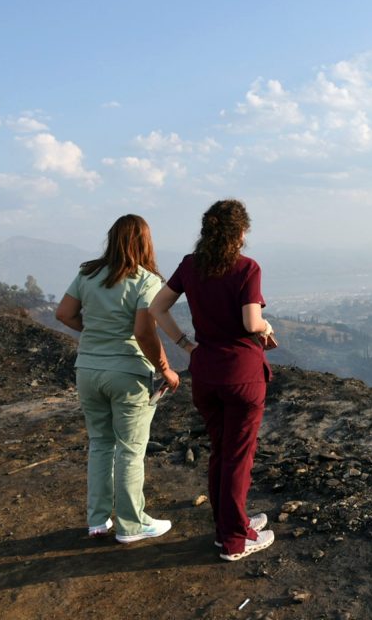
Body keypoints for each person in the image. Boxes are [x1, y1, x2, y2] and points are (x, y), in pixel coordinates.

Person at [149, 198, 275, 561]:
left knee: (221, 453)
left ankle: (229, 527)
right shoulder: (247, 268)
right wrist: (266, 326)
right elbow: (251, 322)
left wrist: (185, 345)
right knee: (238, 458)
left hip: (205, 373)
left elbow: (157, 307)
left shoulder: (191, 265)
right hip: (242, 376)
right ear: (241, 232)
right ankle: (235, 540)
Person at [55, 214, 179, 543]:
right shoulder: (146, 280)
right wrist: (165, 369)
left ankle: (98, 521)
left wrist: (94, 331)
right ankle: (131, 525)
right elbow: (143, 332)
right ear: (145, 242)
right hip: (127, 372)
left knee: (100, 444)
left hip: (88, 370)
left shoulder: (87, 273)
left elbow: (63, 313)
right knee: (130, 449)